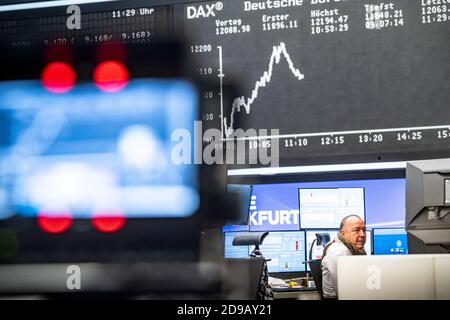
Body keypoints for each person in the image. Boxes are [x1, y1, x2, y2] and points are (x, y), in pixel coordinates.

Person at [321, 215, 367, 299]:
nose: (362, 234)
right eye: (356, 230)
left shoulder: (353, 250)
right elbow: (347, 291)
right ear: (343, 233)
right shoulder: (338, 252)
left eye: (364, 230)